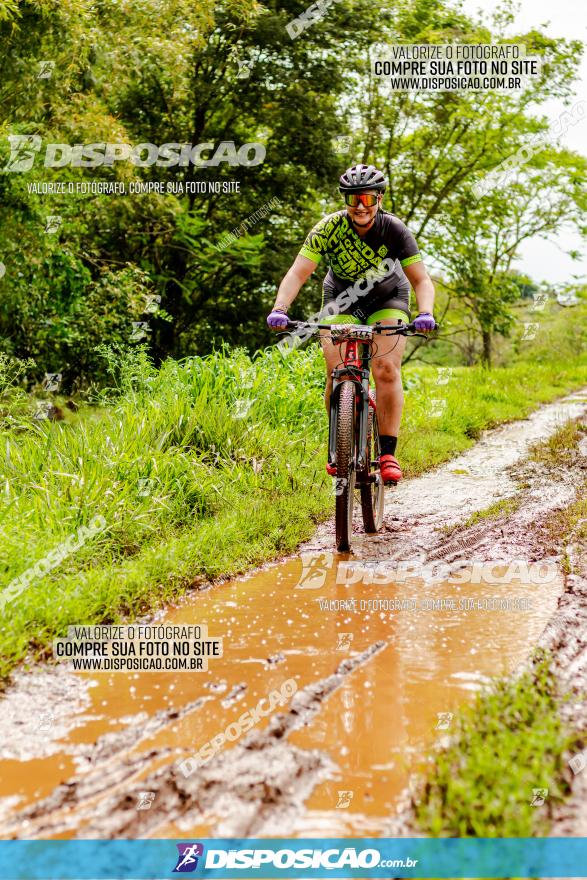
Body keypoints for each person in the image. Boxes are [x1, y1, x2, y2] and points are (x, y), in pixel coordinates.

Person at [266, 163, 436, 483]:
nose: (360, 206)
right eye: (353, 199)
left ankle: (387, 453)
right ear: (344, 200)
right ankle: (339, 445)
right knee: (336, 368)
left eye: (368, 199)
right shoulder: (327, 228)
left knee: (385, 368)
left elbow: (421, 280)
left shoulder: (395, 229)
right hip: (341, 299)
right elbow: (298, 273)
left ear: (380, 199)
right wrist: (280, 307)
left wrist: (425, 313)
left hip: (388, 298)